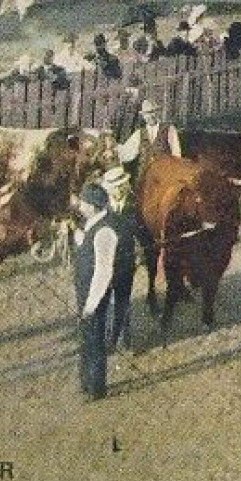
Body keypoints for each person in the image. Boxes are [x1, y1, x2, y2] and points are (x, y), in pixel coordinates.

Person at [71, 182, 122, 400]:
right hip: (84, 291)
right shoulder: (93, 224)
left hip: (94, 295)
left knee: (95, 341)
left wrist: (92, 304)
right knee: (86, 339)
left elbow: (103, 271)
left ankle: (96, 389)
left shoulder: (105, 232)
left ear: (92, 205)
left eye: (83, 201)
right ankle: (86, 383)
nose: (80, 205)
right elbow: (84, 242)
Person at [96, 166, 140, 354]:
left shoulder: (134, 205)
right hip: (104, 262)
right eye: (116, 186)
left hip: (126, 262)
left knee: (123, 302)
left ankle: (124, 341)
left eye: (122, 185)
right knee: (104, 301)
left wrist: (139, 255)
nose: (120, 189)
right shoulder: (101, 207)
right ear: (109, 189)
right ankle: (107, 340)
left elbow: (139, 231)